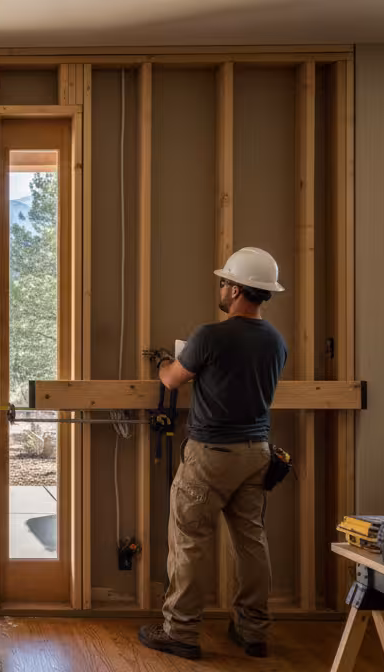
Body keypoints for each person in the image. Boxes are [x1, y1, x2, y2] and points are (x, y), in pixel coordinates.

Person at [137, 247, 288, 661]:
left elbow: (171, 380)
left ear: (237, 289)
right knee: (252, 542)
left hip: (211, 456)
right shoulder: (276, 341)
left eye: (225, 283)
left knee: (188, 543)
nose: (221, 289)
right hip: (257, 453)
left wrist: (167, 361)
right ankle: (253, 631)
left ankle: (181, 633)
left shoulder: (210, 336)